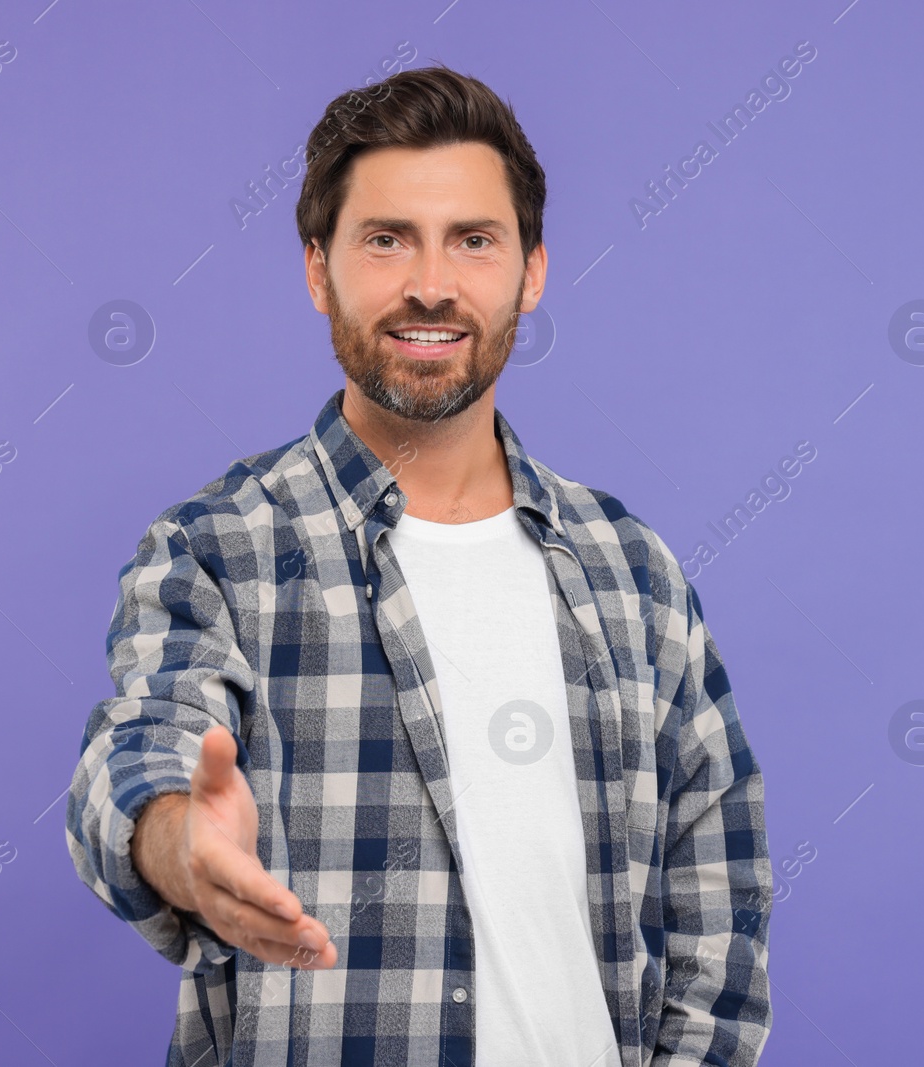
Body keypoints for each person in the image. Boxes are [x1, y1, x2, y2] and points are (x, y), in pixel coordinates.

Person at [65, 64, 773, 1067]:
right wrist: (183, 844)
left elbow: (721, 898)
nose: (431, 284)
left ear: (531, 269)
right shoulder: (217, 548)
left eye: (473, 240)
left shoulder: (633, 571)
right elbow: (138, 748)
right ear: (319, 268)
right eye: (386, 238)